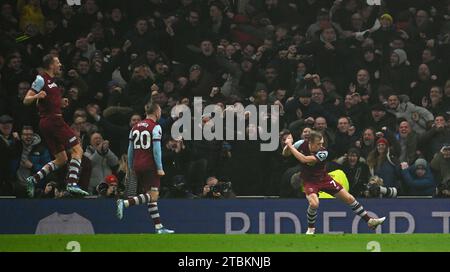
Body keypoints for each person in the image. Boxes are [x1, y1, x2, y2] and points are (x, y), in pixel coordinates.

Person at [283, 130, 385, 234]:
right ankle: (310, 229)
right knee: (314, 204)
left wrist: (290, 146)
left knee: (349, 198)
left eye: (322, 143)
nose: (321, 145)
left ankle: (370, 221)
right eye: (319, 143)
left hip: (324, 179)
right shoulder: (301, 144)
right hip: (310, 181)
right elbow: (285, 153)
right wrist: (288, 145)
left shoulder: (323, 152)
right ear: (311, 142)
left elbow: (304, 159)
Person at [23, 54, 88, 197]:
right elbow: (26, 100)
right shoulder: (41, 79)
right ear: (51, 65)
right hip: (53, 121)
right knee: (78, 150)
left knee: (62, 159)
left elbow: (49, 101)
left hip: (49, 121)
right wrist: (36, 97)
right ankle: (71, 184)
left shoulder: (53, 82)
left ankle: (33, 179)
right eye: (58, 62)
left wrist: (61, 103)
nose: (60, 65)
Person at [116, 102, 174, 234]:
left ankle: (159, 227)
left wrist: (130, 168)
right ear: (157, 112)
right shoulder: (155, 127)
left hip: (137, 165)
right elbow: (157, 150)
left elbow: (130, 150)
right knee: (153, 195)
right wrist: (159, 167)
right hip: (150, 165)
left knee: (151, 197)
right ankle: (125, 203)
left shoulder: (135, 127)